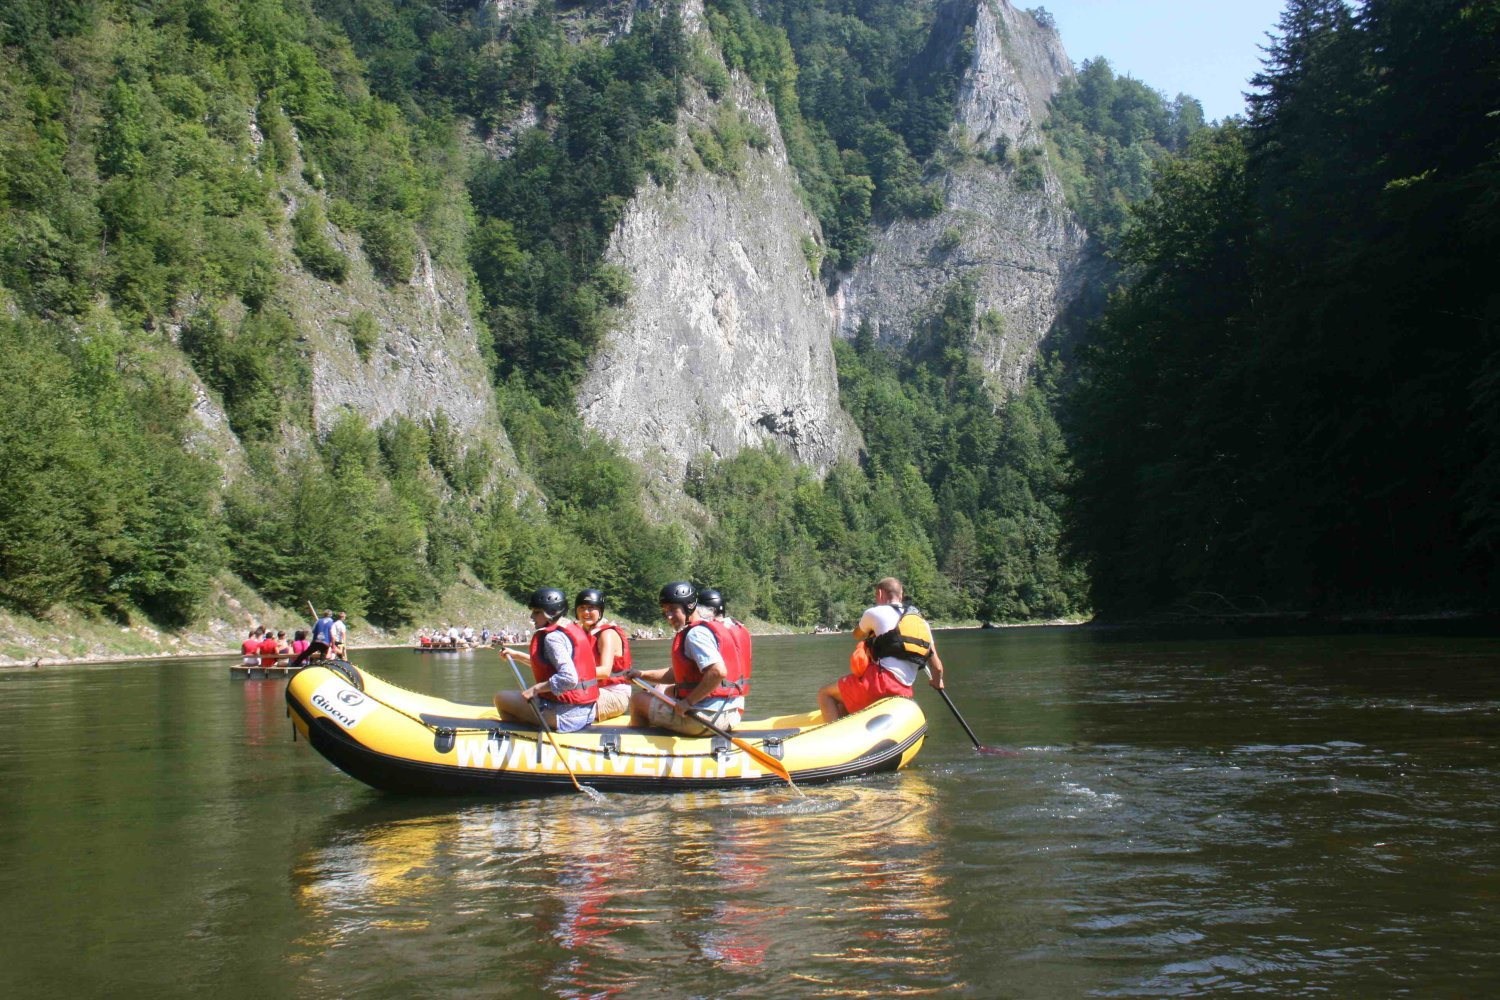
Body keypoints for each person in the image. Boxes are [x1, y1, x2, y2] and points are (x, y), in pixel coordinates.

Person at [817, 577, 944, 723]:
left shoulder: (874, 612)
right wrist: (937, 681)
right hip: (904, 691)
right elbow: (938, 668)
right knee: (842, 706)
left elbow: (857, 634)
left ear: (880, 593)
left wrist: (872, 630)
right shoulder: (922, 624)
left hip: (879, 684)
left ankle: (833, 734)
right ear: (901, 595)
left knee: (825, 694)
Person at [629, 582, 746, 735]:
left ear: (689, 606)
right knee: (664, 690)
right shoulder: (707, 628)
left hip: (706, 719)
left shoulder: (695, 634)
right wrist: (642, 675)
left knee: (638, 700)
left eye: (673, 609)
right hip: (731, 714)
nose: (668, 616)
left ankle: (637, 744)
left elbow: (717, 672)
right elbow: (678, 674)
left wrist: (688, 702)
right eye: (665, 611)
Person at [496, 587, 599, 733]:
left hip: (567, 716)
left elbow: (569, 679)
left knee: (501, 698)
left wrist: (536, 689)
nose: (532, 616)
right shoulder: (571, 628)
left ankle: (520, 737)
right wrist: (517, 655)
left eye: (537, 612)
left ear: (552, 612)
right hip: (587, 711)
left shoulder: (553, 638)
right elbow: (549, 667)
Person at [573, 588, 633, 721]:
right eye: (582, 608)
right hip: (592, 689)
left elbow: (605, 671)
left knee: (564, 698)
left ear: (600, 611)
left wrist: (569, 674)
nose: (586, 612)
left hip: (615, 695)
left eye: (591, 608)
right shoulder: (582, 635)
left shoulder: (607, 634)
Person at [698, 587, 752, 702]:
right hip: (739, 698)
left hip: (717, 699)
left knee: (666, 689)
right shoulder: (740, 629)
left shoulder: (706, 632)